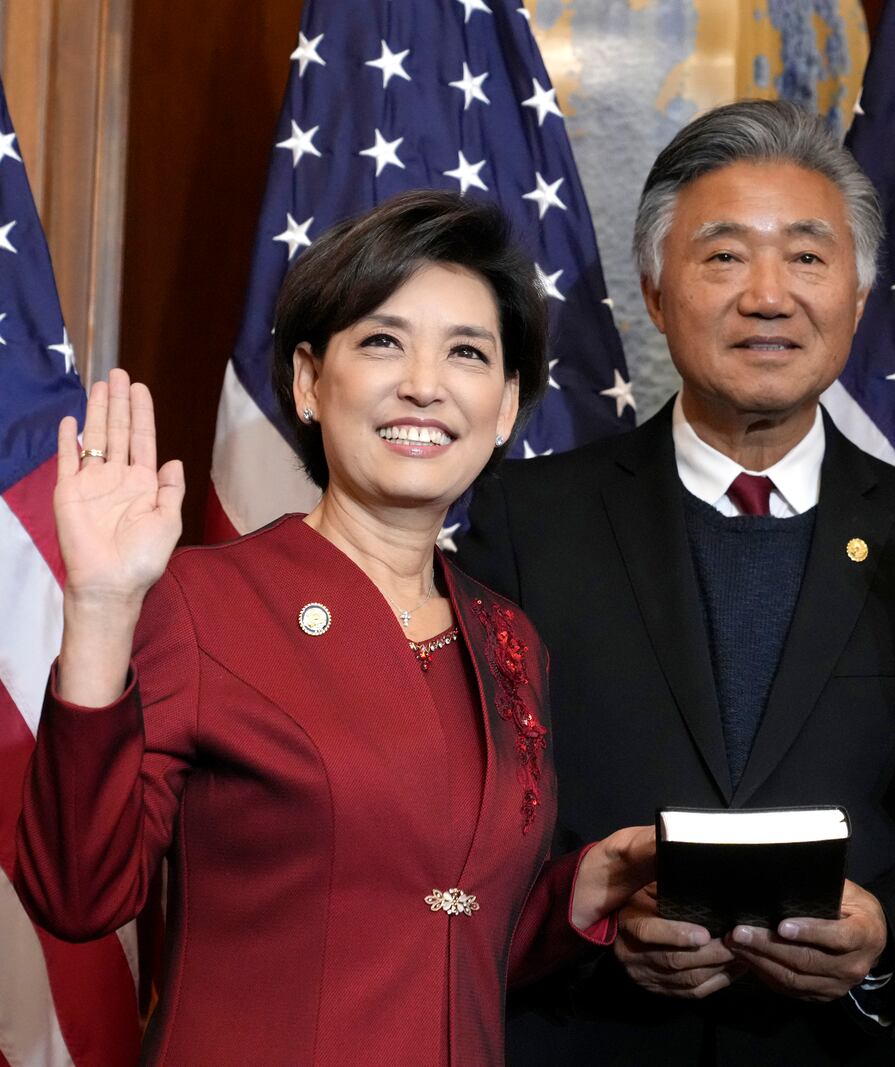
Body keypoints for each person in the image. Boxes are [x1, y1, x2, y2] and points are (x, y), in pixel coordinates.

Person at [457, 100, 895, 1065]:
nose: (768, 295)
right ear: (653, 291)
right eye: (723, 255)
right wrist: (590, 920)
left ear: (857, 294)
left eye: (808, 257)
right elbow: (464, 801)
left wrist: (892, 933)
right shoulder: (525, 519)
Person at [14, 190, 655, 1065]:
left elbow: (442, 919)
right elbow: (78, 894)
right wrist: (97, 607)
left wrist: (580, 892)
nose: (425, 383)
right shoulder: (201, 599)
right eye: (384, 341)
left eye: (467, 352)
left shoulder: (509, 636)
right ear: (311, 382)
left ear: (506, 406)